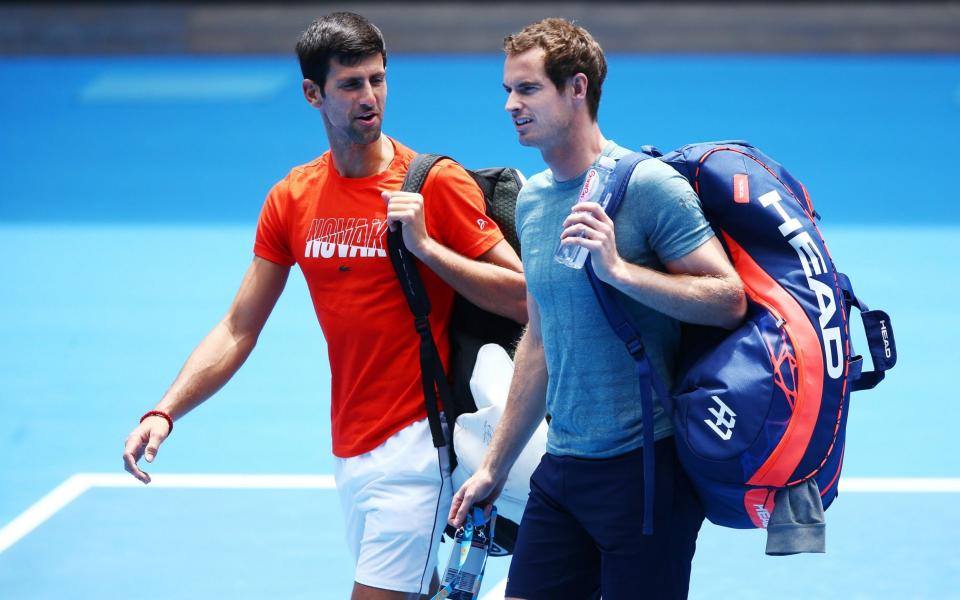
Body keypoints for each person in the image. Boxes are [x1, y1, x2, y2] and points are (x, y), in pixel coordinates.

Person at [122, 12, 526, 600]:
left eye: (378, 80)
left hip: (418, 445)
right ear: (313, 93)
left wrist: (427, 248)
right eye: (351, 84)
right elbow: (239, 327)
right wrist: (164, 411)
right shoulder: (292, 197)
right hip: (350, 446)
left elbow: (524, 297)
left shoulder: (431, 184)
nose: (370, 97)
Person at [449, 18, 747, 600]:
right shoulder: (533, 201)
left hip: (645, 474)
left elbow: (727, 300)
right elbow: (539, 338)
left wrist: (619, 270)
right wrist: (496, 465)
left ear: (577, 88)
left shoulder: (649, 186)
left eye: (528, 89)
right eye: (508, 91)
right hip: (561, 471)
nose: (511, 104)